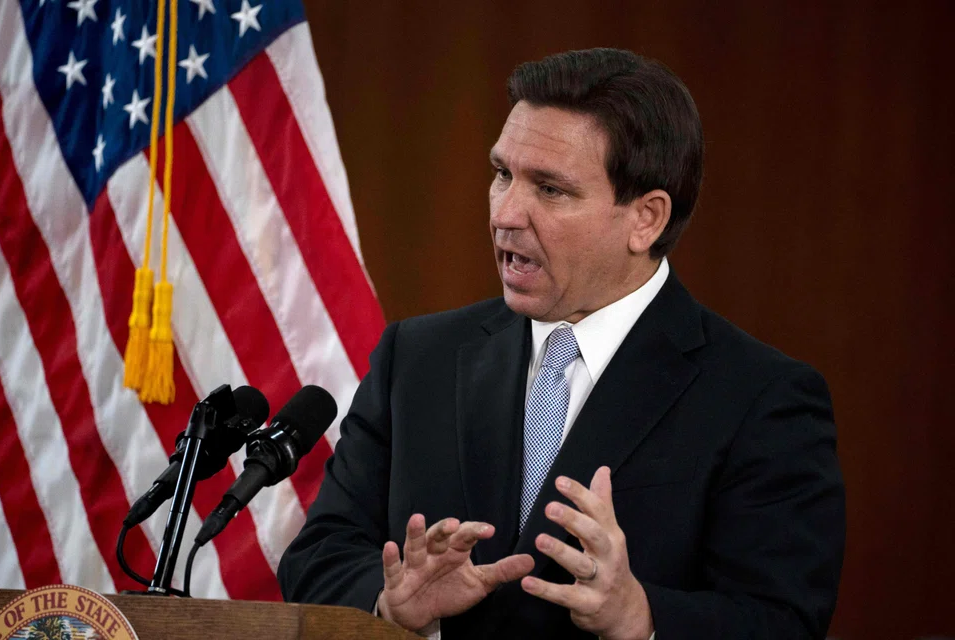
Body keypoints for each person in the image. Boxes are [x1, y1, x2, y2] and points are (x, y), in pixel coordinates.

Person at [278, 48, 845, 639]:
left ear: (645, 219)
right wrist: (391, 602)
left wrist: (642, 617)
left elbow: (783, 620)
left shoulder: (761, 397)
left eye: (550, 189)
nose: (506, 213)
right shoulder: (416, 358)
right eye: (503, 174)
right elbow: (318, 556)